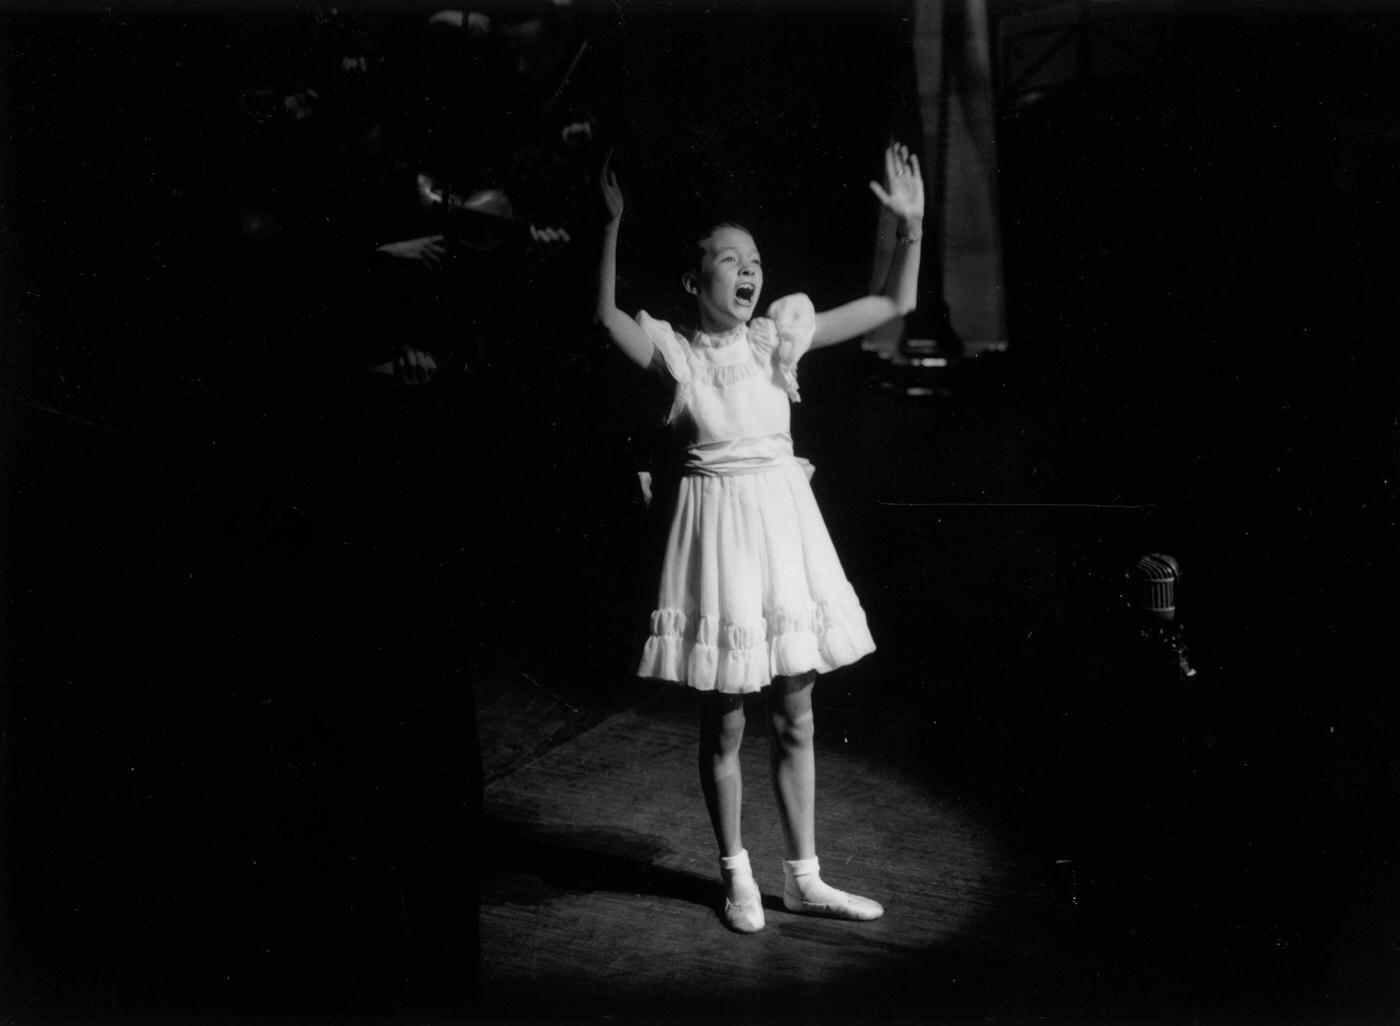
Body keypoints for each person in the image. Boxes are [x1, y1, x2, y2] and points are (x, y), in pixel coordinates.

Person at [595, 143, 925, 933]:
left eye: (755, 261)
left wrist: (910, 230)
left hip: (782, 534)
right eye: (728, 260)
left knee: (798, 712)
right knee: (729, 719)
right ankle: (737, 872)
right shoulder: (678, 356)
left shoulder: (779, 339)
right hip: (718, 543)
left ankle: (805, 875)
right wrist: (607, 229)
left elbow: (888, 305)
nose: (748, 271)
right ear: (692, 279)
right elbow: (603, 317)